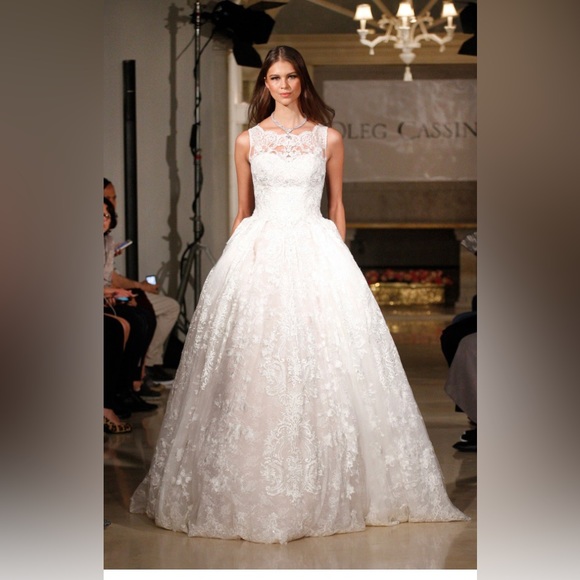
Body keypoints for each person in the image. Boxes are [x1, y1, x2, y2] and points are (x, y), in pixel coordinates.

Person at [130, 45, 468, 543]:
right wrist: (232, 266)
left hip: (316, 250)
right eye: (274, 77)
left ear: (302, 80)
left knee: (325, 360)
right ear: (264, 84)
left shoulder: (327, 138)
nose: (283, 85)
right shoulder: (247, 141)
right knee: (255, 364)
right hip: (260, 252)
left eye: (290, 76)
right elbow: (243, 209)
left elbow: (337, 205)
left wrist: (340, 260)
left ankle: (333, 480)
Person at [104, 178, 179, 384]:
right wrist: (135, 287)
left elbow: (110, 276)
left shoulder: (108, 239)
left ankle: (144, 369)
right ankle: (134, 377)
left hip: (111, 292)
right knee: (137, 319)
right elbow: (110, 280)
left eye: (114, 198)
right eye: (107, 199)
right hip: (108, 294)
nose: (112, 204)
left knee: (147, 315)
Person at [103, 197, 158, 413]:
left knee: (142, 317)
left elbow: (107, 277)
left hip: (106, 296)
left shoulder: (107, 241)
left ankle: (130, 384)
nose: (104, 219)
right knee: (125, 324)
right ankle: (115, 393)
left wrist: (117, 292)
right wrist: (112, 292)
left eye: (107, 215)